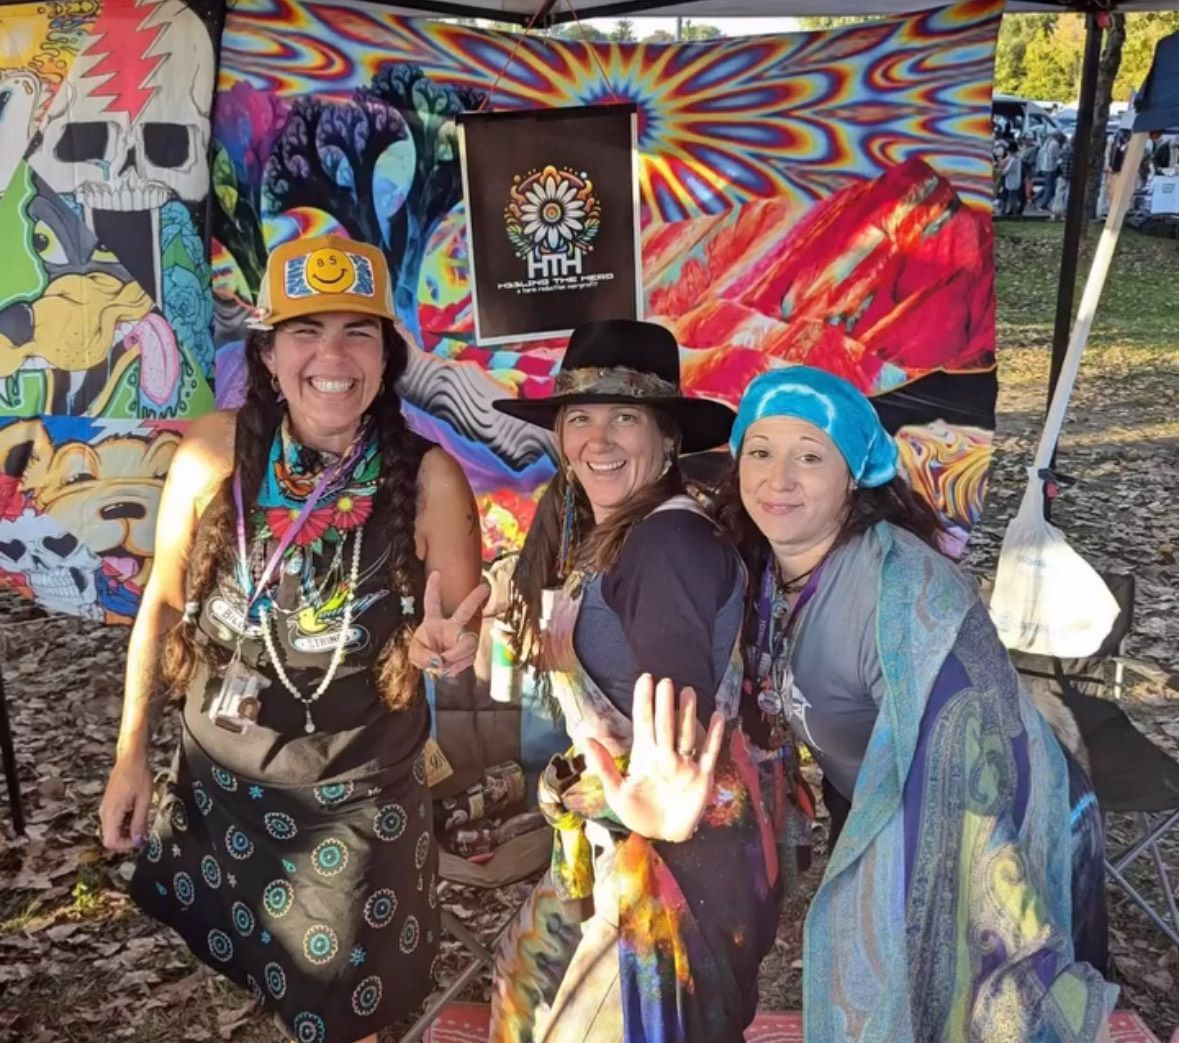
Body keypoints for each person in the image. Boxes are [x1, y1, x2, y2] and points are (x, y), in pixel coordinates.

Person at [98, 235, 487, 1043]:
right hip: (224, 788)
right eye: (306, 330)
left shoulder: (431, 478)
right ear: (270, 354)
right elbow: (164, 607)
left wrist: (447, 648)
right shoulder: (213, 451)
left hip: (360, 799)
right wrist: (130, 752)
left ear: (387, 358)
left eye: (358, 331)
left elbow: (459, 627)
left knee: (353, 1012)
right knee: (274, 987)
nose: (332, 356)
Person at [720, 366, 1116, 1041]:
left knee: (960, 1002)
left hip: (988, 818)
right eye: (759, 450)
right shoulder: (762, 567)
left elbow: (965, 808)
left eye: (809, 455)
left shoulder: (902, 593)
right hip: (879, 799)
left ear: (854, 474)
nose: (776, 476)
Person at [486, 320, 781, 1042]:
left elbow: (673, 709)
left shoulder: (666, 543)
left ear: (669, 438)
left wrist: (662, 803)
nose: (599, 438)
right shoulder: (602, 528)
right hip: (622, 839)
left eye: (626, 416)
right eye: (580, 417)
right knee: (528, 1000)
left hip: (670, 858)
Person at [1035, 131, 1064, 210]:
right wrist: (1061, 166)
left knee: (1048, 185)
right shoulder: (1055, 144)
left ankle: (1035, 198)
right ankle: (1044, 204)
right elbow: (1057, 157)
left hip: (1044, 167)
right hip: (1051, 168)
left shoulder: (1047, 143)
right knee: (1049, 187)